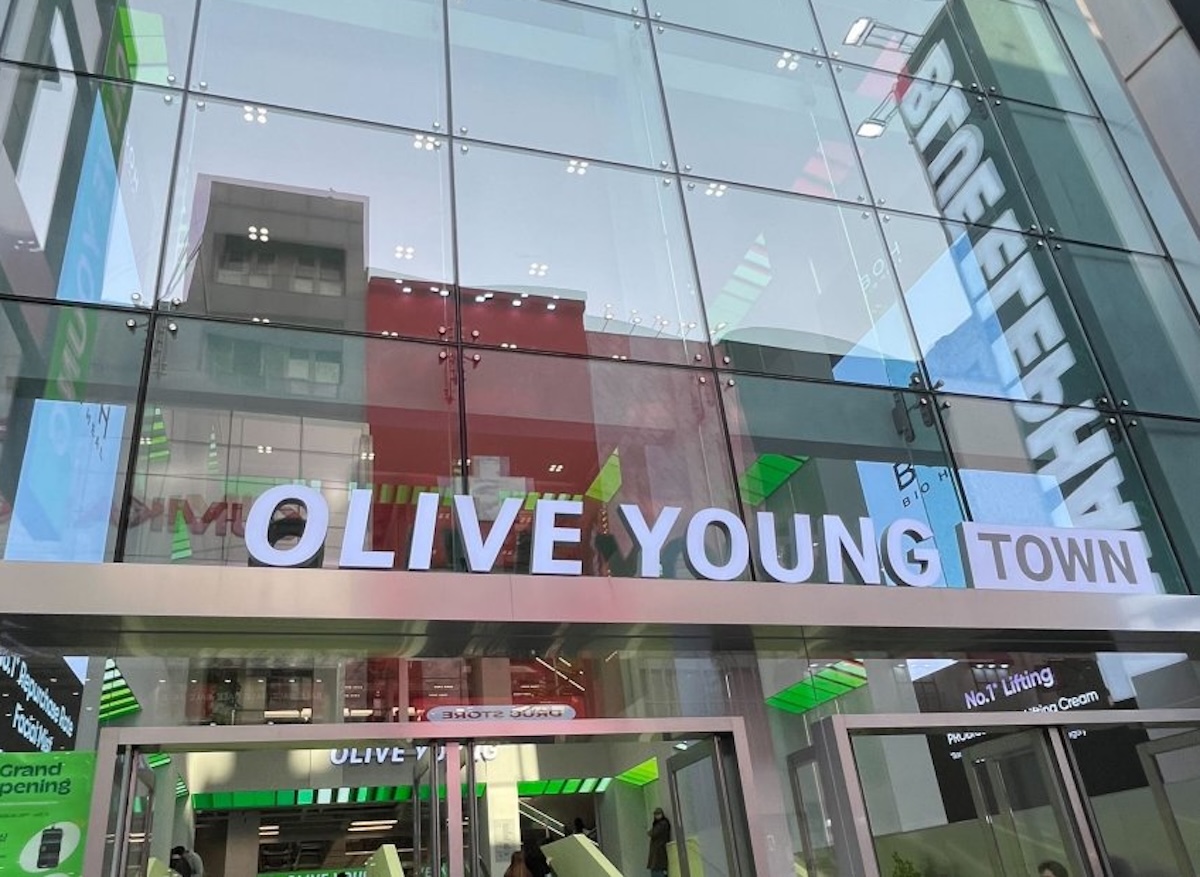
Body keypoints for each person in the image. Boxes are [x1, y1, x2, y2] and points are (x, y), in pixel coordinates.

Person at [646, 808, 671, 877]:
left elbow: (654, 833)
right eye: (656, 814)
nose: (657, 816)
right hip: (659, 854)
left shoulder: (662, 823)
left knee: (658, 871)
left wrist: (650, 832)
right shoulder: (662, 823)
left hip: (659, 853)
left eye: (658, 814)